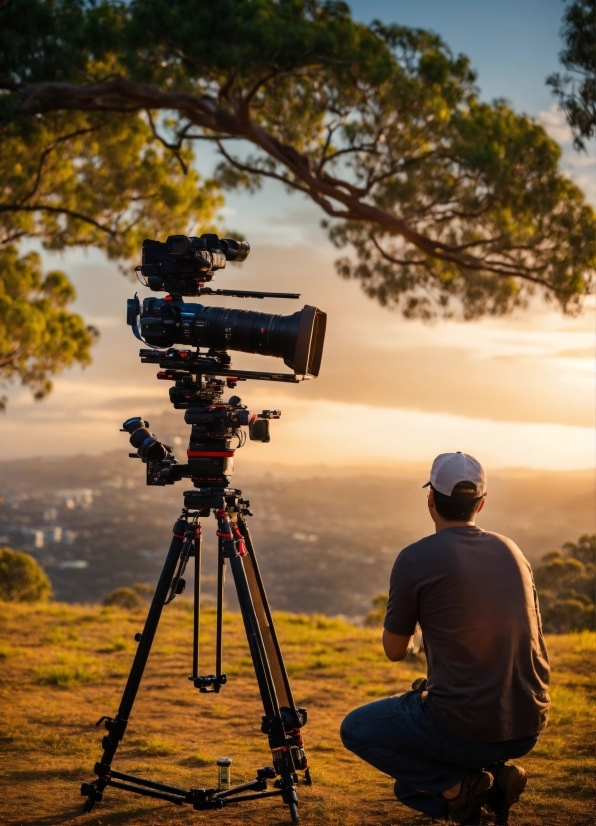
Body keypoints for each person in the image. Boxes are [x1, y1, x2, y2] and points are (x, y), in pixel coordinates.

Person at [340, 452, 550, 825]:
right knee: (408, 786)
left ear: (430, 500)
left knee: (356, 730)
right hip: (527, 723)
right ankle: (496, 780)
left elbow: (394, 650)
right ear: (482, 504)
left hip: (465, 725)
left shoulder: (415, 558)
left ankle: (459, 788)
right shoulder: (512, 550)